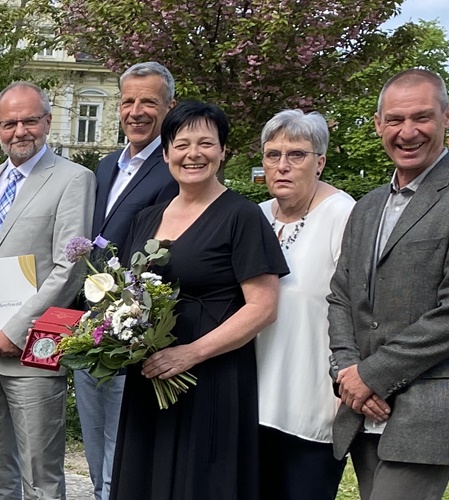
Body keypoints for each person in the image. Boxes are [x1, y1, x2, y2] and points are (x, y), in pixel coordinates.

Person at [328, 69, 449, 500]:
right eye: (394, 120)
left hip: (428, 408)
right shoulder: (369, 206)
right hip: (364, 407)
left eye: (421, 117)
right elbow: (342, 296)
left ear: (448, 116)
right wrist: (346, 372)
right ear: (378, 125)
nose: (407, 132)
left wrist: (371, 375)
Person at [110, 101, 287, 500]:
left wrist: (190, 354)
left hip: (210, 379)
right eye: (182, 143)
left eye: (206, 143)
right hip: (151, 377)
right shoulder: (146, 216)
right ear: (167, 152)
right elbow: (125, 290)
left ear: (223, 151)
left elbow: (263, 307)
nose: (193, 154)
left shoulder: (241, 216)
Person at [0, 81, 94, 500]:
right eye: (9, 123)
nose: (20, 130)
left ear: (47, 122)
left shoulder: (73, 180)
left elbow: (70, 265)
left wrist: (16, 328)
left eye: (30, 120)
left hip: (34, 350)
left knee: (41, 477)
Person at [77, 61, 180, 500]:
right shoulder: (105, 166)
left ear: (169, 107)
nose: (136, 111)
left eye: (149, 102)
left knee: (127, 442)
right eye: (128, 101)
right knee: (95, 438)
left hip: (138, 326)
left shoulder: (175, 165)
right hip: (93, 325)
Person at [253, 109, 354, 500]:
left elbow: (359, 308)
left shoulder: (343, 215)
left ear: (320, 161)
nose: (282, 165)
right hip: (253, 401)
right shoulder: (257, 216)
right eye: (272, 154)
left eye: (296, 154)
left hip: (311, 402)